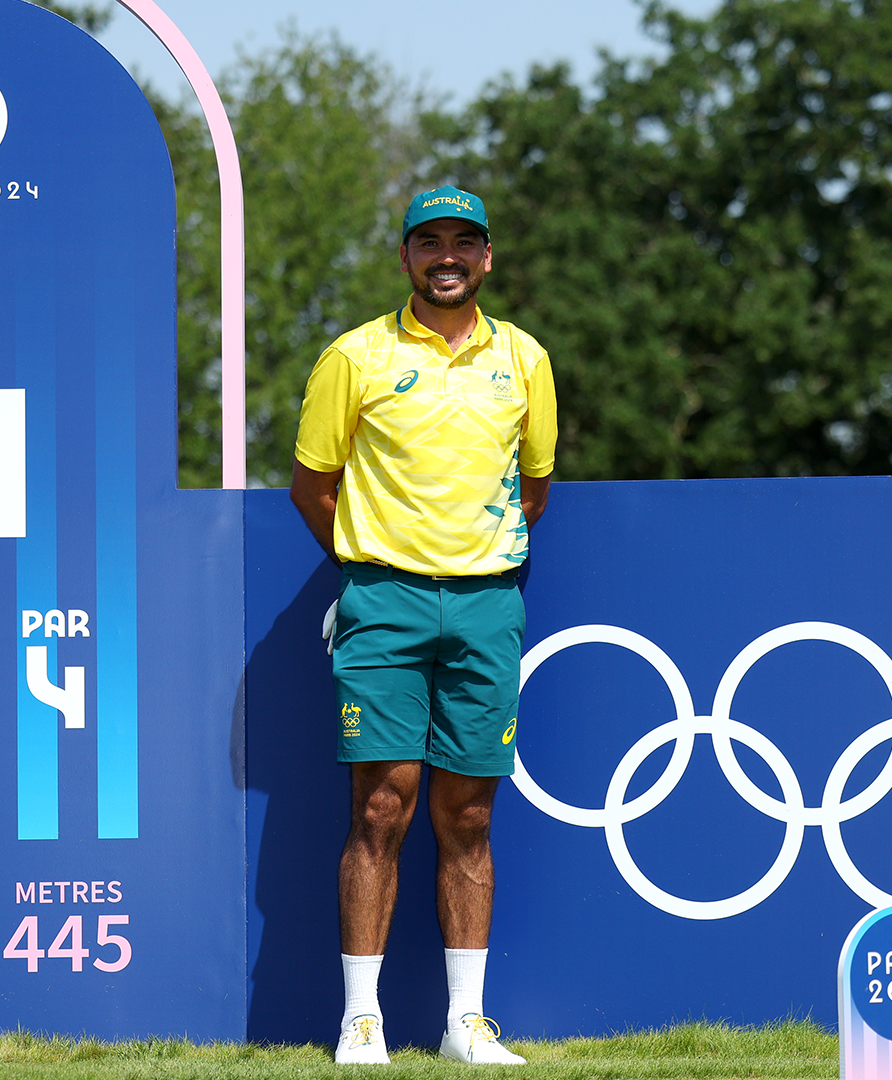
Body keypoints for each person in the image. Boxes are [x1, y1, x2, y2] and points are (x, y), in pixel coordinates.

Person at [290, 185, 555, 1066]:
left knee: (469, 814)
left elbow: (536, 486)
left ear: (488, 258)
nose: (448, 256)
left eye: (464, 243)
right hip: (385, 603)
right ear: (405, 257)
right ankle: (360, 1019)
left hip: (486, 603)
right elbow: (312, 486)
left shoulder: (524, 359)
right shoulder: (354, 357)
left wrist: (473, 557)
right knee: (379, 806)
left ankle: (463, 1025)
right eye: (429, 242)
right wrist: (373, 568)